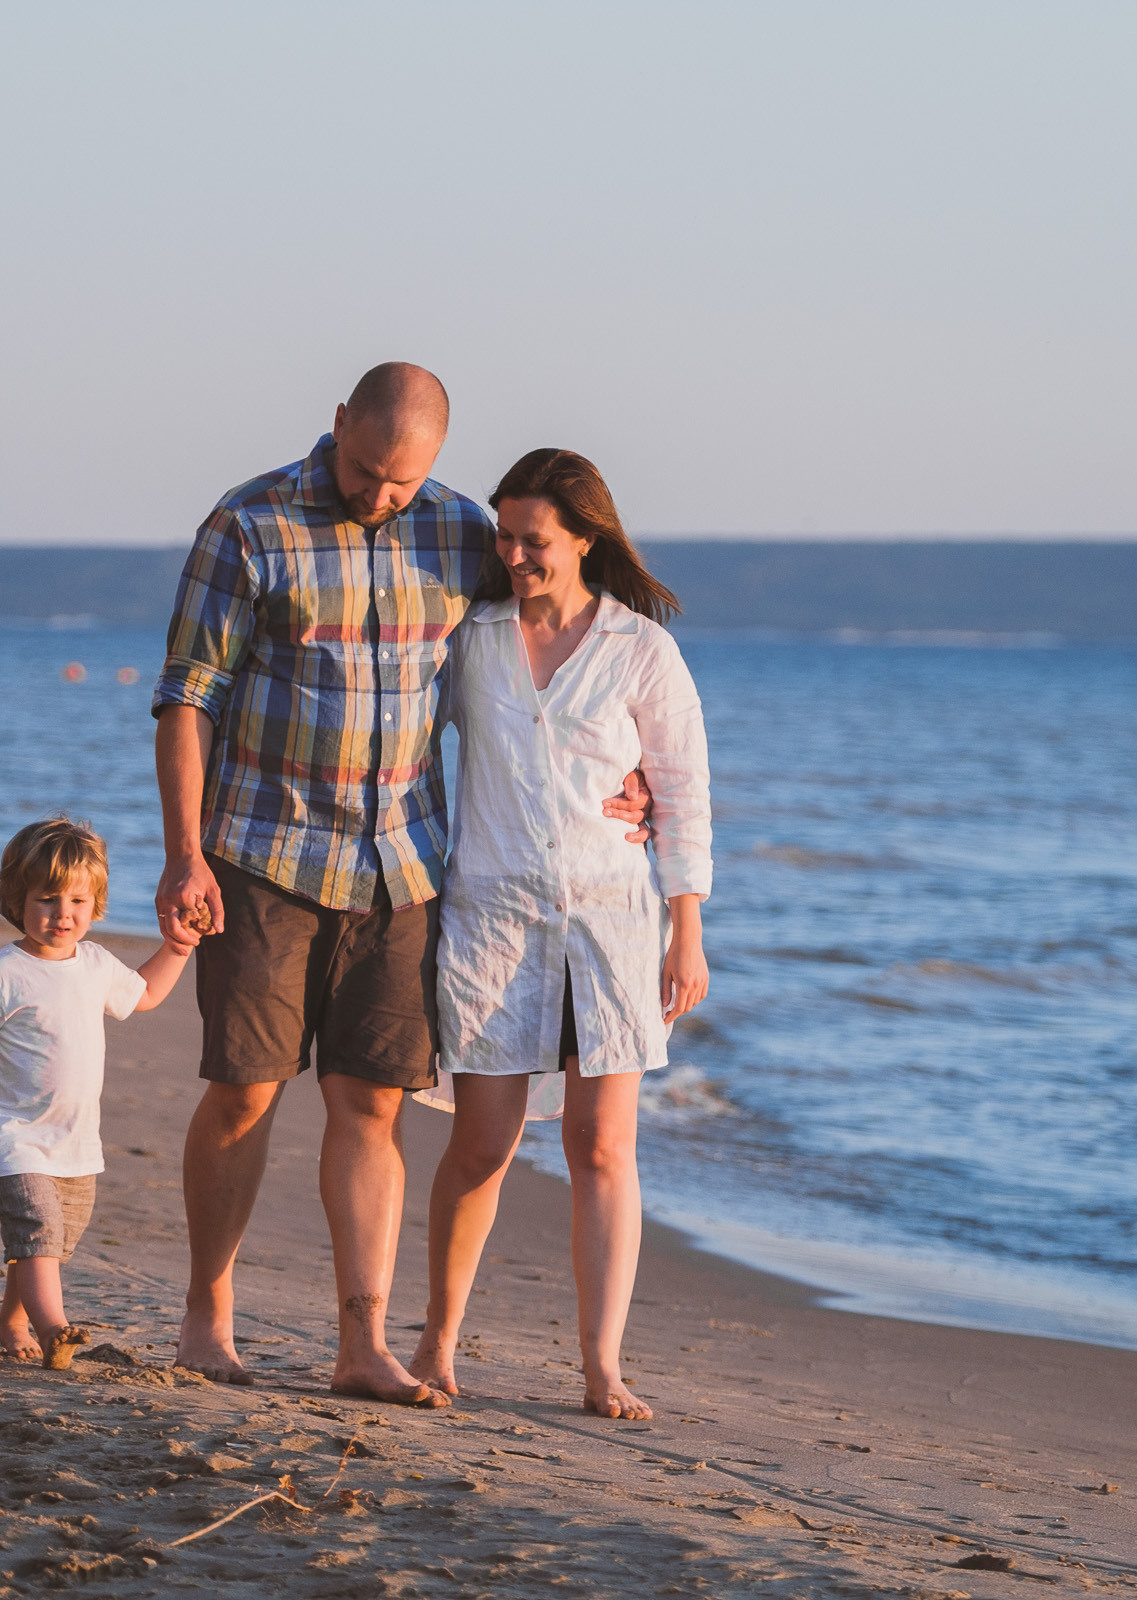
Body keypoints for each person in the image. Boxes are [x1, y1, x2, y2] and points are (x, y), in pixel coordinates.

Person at [152, 363, 653, 1405]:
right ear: (336, 424)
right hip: (265, 852)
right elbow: (188, 696)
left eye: (402, 479)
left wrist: (626, 765)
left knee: (372, 1103)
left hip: (406, 868)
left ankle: (361, 1345)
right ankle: (208, 1314)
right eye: (368, 470)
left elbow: (551, 640)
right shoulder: (247, 527)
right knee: (245, 1091)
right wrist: (182, 850)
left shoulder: (461, 532)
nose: (382, 494)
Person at [408, 448, 711, 1420]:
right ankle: (437, 1341)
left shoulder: (640, 650)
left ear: (584, 536)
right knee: (482, 1142)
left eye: (533, 540)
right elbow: (404, 739)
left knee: (602, 1146)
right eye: (504, 536)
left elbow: (683, 789)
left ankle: (601, 1365)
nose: (514, 553)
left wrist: (685, 927)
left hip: (612, 922)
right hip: (492, 918)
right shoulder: (472, 638)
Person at [0, 817, 199, 1365]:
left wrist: (179, 948)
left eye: (78, 900)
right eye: (47, 899)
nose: (63, 913)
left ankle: (14, 1320)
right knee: (40, 1231)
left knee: (49, 1243)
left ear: (96, 905)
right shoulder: (3, 972)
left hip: (76, 1142)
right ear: (16, 899)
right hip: (16, 1139)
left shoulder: (94, 964)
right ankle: (56, 1330)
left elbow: (141, 996)